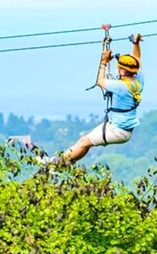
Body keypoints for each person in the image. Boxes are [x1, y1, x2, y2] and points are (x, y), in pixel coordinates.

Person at [56, 33, 144, 163]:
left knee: (85, 141)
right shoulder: (138, 80)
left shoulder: (120, 86)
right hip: (122, 128)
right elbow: (137, 58)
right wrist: (136, 44)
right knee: (85, 142)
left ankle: (54, 163)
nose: (117, 67)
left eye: (119, 66)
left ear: (123, 71)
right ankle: (65, 162)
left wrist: (103, 62)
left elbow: (100, 81)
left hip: (117, 131)